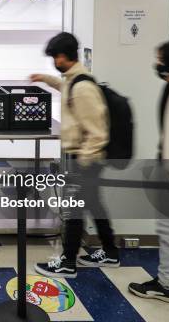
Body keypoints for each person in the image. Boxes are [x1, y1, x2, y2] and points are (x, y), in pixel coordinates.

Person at [30, 32, 119, 278]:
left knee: (73, 211)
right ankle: (110, 252)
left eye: (54, 58)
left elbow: (98, 133)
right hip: (87, 159)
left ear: (61, 57)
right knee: (93, 204)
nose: (53, 62)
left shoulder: (82, 87)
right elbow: (65, 88)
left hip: (86, 160)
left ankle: (68, 262)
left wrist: (83, 163)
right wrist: (46, 79)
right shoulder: (75, 80)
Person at [128, 39, 169, 304]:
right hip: (168, 176)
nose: (157, 64)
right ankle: (166, 285)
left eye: (161, 59)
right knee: (168, 234)